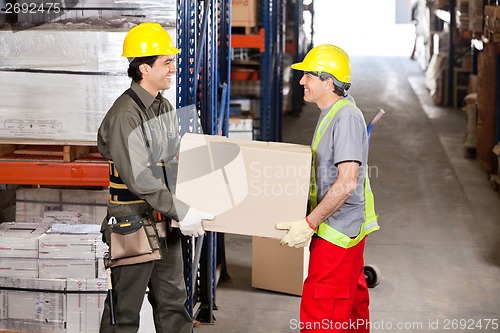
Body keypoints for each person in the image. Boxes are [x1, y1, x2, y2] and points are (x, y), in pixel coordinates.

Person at [97, 22, 214, 333]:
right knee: (124, 312)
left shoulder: (163, 106)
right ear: (144, 68)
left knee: (174, 305)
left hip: (163, 221)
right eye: (166, 62)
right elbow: (140, 177)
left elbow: (175, 159)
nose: (173, 69)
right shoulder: (126, 115)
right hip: (132, 223)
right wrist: (183, 210)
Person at [276, 44, 379, 332]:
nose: (301, 82)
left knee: (322, 312)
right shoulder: (332, 111)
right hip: (343, 227)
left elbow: (347, 181)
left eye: (308, 76)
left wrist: (310, 223)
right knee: (352, 304)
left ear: (328, 82)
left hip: (337, 231)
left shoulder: (345, 117)